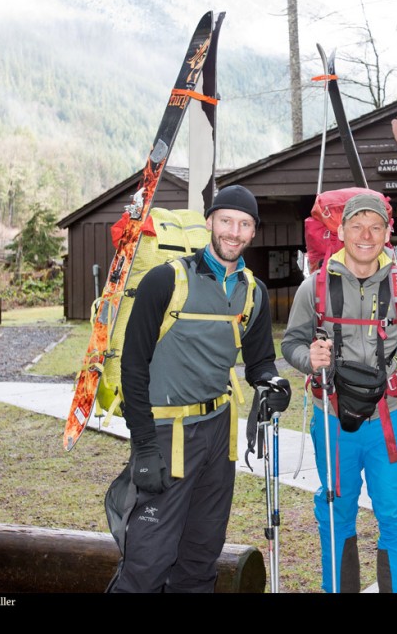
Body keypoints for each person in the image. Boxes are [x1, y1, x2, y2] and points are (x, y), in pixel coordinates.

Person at [105, 184, 287, 593]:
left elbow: (259, 361)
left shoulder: (252, 292)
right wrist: (144, 447)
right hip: (167, 434)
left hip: (220, 435)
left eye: (244, 225)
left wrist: (273, 383)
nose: (234, 232)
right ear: (209, 223)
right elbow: (134, 366)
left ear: (253, 232)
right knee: (147, 562)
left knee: (201, 557)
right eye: (226, 221)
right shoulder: (165, 281)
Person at [282, 192, 397, 593]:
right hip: (331, 417)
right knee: (335, 512)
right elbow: (291, 343)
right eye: (357, 226)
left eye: (375, 227)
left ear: (388, 232)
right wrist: (309, 357)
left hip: (388, 417)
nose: (366, 236)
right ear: (342, 231)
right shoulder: (314, 286)